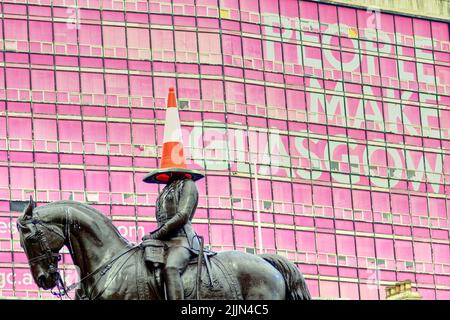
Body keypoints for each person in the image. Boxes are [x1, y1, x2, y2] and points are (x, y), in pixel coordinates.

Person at [142, 174, 201, 300]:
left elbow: (183, 215)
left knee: (171, 268)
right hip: (163, 241)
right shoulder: (166, 189)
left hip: (182, 240)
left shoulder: (188, 184)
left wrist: (157, 234)